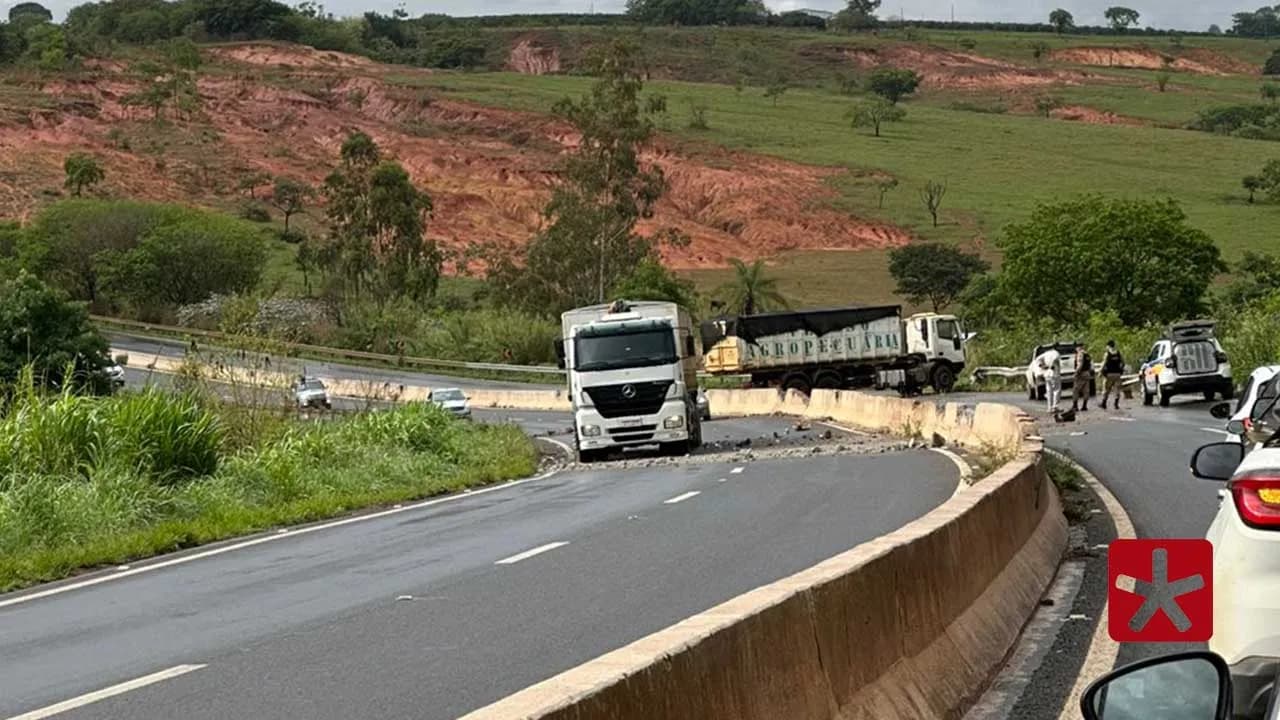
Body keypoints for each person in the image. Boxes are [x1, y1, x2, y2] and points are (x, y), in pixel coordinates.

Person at [1034, 347, 1063, 414]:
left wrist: (1042, 366)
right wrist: (1051, 365)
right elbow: (1056, 358)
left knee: (1049, 391)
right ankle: (1055, 407)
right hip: (1054, 373)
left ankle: (1049, 407)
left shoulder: (1045, 354)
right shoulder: (1056, 353)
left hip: (1047, 374)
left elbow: (1037, 359)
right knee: (1056, 390)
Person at [1100, 340, 1125, 410]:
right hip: (1117, 374)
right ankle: (1116, 404)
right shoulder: (1118, 353)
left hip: (1109, 374)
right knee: (1117, 389)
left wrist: (1100, 372)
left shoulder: (1107, 354)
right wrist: (1120, 369)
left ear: (1108, 346)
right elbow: (1123, 362)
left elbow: (1104, 364)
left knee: (1106, 389)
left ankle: (1104, 403)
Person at [1072, 345, 1094, 412]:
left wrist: (1076, 373)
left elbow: (1080, 364)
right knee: (1086, 390)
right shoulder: (1087, 354)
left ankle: (1075, 406)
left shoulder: (1080, 354)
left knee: (1076, 390)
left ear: (1078, 347)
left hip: (1081, 373)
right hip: (1087, 373)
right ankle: (1084, 406)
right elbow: (1091, 365)